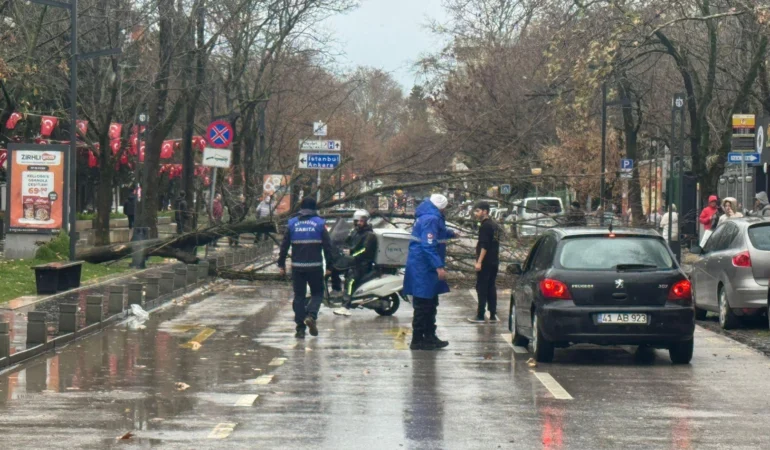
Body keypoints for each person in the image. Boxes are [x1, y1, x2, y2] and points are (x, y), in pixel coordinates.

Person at [404, 194, 455, 351]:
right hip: (424, 268)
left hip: (422, 266)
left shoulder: (426, 216)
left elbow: (435, 234)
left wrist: (449, 233)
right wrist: (438, 266)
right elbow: (428, 245)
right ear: (441, 207)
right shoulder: (431, 219)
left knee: (429, 302)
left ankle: (429, 336)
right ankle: (419, 339)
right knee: (424, 304)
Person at [278, 197, 334, 339]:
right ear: (314, 208)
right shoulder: (319, 224)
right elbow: (328, 247)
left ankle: (300, 329)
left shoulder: (292, 224)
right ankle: (311, 314)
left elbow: (284, 246)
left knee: (299, 297)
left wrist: (281, 264)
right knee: (317, 293)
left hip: (297, 268)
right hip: (315, 267)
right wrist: (330, 266)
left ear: (301, 208)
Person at [335, 210, 378, 317]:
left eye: (361, 221)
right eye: (356, 221)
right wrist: (338, 246)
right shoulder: (354, 232)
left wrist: (352, 253)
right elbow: (346, 242)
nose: (358, 223)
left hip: (363, 263)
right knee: (334, 268)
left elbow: (365, 250)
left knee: (350, 279)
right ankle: (336, 292)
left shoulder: (369, 235)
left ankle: (345, 306)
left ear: (366, 221)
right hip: (352, 261)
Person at [468, 201, 501, 323]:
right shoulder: (494, 225)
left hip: (486, 262)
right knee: (491, 287)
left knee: (481, 287)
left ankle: (480, 315)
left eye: (477, 211)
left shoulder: (485, 226)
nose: (476, 213)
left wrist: (479, 262)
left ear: (485, 211)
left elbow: (484, 245)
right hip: (494, 261)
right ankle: (492, 314)